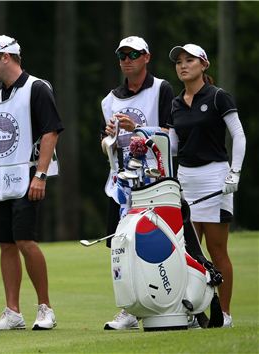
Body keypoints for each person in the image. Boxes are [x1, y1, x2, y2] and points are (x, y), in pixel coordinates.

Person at [0, 35, 63, 330]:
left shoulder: (37, 88)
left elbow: (51, 132)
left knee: (25, 240)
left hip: (28, 176)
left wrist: (41, 175)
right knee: (6, 244)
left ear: (6, 57)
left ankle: (45, 308)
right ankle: (13, 312)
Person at [168, 44, 246, 328]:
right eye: (179, 62)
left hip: (215, 176)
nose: (182, 65)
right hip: (186, 179)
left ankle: (223, 314)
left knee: (216, 250)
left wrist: (234, 173)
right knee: (189, 252)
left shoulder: (217, 97)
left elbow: (238, 135)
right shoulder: (175, 104)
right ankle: (195, 313)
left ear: (204, 65)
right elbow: (173, 146)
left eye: (189, 60)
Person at [100, 36, 174, 330]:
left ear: (146, 57)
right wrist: (109, 137)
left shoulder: (161, 89)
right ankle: (129, 308)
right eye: (122, 55)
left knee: (157, 244)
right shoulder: (109, 100)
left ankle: (164, 302)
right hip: (120, 185)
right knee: (121, 245)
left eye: (133, 54)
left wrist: (139, 128)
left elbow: (172, 137)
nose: (127, 59)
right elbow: (107, 146)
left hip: (155, 182)